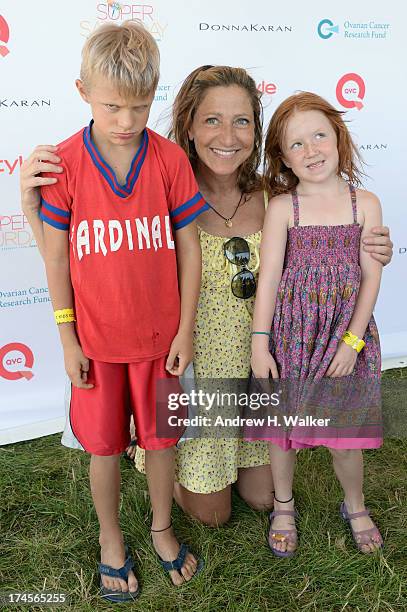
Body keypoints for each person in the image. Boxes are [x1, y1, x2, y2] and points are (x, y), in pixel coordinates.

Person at [21, 68, 394, 529]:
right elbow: (79, 261)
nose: (228, 136)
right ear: (189, 126)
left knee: (262, 499)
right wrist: (32, 210)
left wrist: (373, 248)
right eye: (212, 120)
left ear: (257, 131)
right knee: (211, 515)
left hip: (261, 371)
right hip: (194, 372)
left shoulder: (278, 197)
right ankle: (161, 447)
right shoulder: (160, 190)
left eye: (241, 122)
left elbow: (329, 244)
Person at [32, 21, 208, 601]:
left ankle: (160, 527)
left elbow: (189, 246)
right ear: (83, 91)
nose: (127, 121)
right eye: (112, 106)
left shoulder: (168, 160)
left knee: (161, 442)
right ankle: (112, 537)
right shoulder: (63, 164)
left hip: (160, 341)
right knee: (103, 448)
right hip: (96, 344)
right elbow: (57, 260)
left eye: (140, 106)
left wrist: (184, 328)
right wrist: (67, 338)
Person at [251, 91, 384, 557]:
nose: (311, 150)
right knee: (282, 431)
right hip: (292, 337)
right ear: (282, 157)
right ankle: (283, 505)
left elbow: (371, 278)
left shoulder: (364, 204)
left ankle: (355, 504)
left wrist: (351, 343)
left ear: (338, 137)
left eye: (319, 136)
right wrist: (259, 343)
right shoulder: (285, 208)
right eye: (296, 144)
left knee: (344, 437)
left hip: (344, 337)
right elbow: (268, 278)